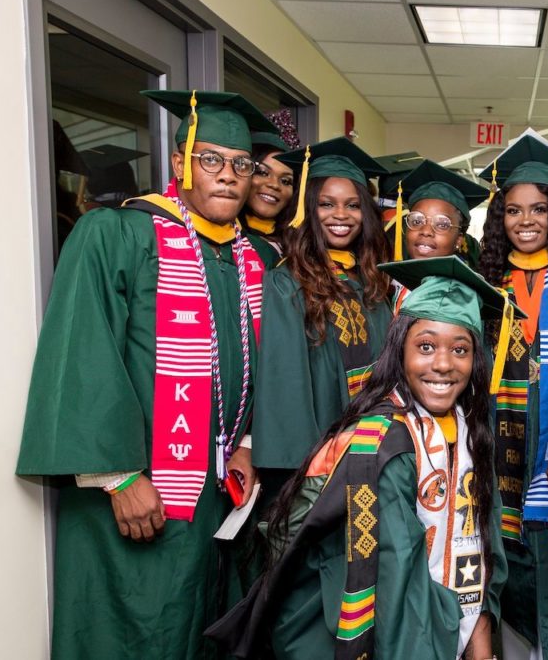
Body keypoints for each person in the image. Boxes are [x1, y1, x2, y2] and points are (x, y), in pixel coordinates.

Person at [16, 89, 275, 659]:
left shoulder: (254, 259)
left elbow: (265, 369)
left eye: (241, 165)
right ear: (180, 164)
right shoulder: (117, 235)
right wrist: (119, 476)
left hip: (219, 497)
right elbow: (84, 354)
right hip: (139, 497)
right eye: (210, 159)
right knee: (138, 632)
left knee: (205, 627)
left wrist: (251, 442)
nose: (228, 176)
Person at [208, 255, 514, 660]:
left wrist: (480, 629)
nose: (443, 364)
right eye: (425, 346)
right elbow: (396, 575)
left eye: (460, 349)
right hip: (385, 632)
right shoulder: (381, 441)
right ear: (398, 350)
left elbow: (484, 538)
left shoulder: (471, 431)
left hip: (440, 624)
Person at [476, 133, 548, 660]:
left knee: (547, 552)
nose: (526, 221)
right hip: (495, 436)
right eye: (514, 210)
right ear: (499, 217)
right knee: (500, 554)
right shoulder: (486, 280)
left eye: (540, 209)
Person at [251, 137, 392, 473]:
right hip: (319, 461)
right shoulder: (288, 281)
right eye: (326, 204)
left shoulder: (371, 280)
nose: (340, 215)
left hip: (376, 447)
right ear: (307, 208)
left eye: (353, 205)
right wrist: (307, 468)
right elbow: (285, 384)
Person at [384, 159, 489, 311]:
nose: (426, 231)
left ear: (459, 239)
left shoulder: (458, 299)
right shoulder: (395, 284)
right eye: (416, 220)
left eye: (442, 224)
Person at [240, 128, 296, 258]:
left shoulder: (298, 245)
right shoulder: (225, 239)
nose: (274, 185)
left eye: (286, 181)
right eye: (263, 173)